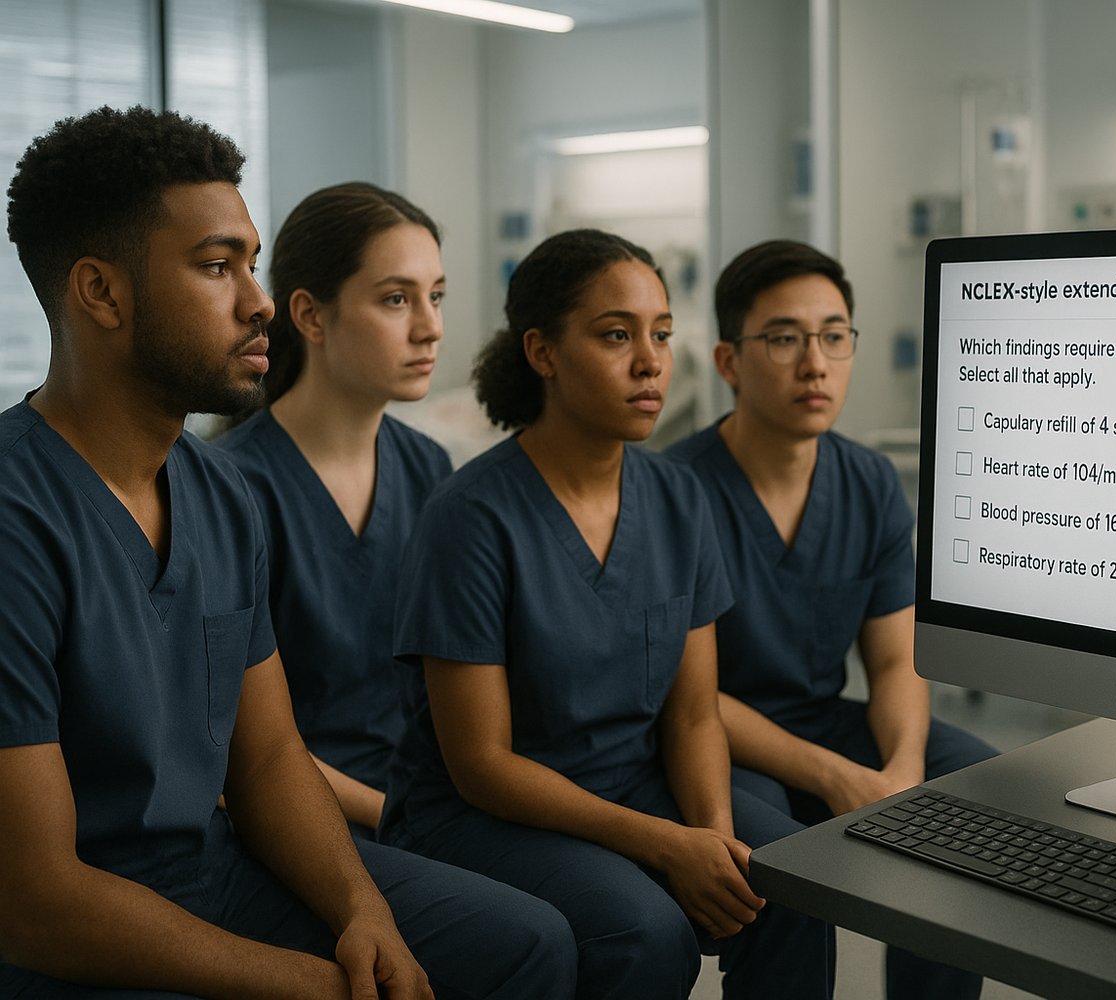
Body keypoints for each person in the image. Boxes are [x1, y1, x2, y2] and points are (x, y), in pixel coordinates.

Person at [0, 105, 574, 1000]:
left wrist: (362, 912)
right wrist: (302, 981)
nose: (259, 301)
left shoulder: (220, 494)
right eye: (215, 266)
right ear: (101, 293)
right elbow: (35, 902)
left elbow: (267, 760)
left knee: (526, 944)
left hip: (220, 874)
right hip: (84, 929)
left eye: (252, 263)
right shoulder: (16, 518)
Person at [380, 228, 835, 1000]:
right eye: (616, 336)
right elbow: (481, 765)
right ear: (543, 352)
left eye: (659, 333)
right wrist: (666, 845)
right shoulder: (471, 517)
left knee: (791, 878)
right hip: (482, 813)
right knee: (644, 930)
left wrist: (714, 837)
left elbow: (693, 716)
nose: (651, 360)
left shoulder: (678, 498)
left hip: (634, 779)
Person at [666, 239, 998, 1000]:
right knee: (790, 868)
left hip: (823, 719)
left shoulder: (868, 480)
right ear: (728, 361)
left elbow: (893, 661)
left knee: (971, 786)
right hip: (712, 738)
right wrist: (838, 776)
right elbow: (692, 698)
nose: (815, 362)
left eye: (834, 336)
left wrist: (905, 772)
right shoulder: (675, 491)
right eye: (783, 338)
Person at [217, 182, 450, 840]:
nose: (431, 326)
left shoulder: (430, 470)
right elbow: (231, 745)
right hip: (299, 817)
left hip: (428, 802)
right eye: (397, 299)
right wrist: (399, 817)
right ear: (311, 317)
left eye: (436, 296)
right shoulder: (233, 488)